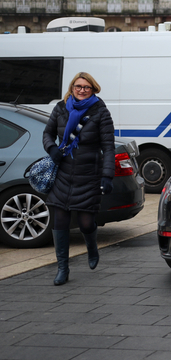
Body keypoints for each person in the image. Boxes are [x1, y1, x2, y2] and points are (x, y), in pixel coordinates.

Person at [42, 72, 115, 286]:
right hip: (63, 173)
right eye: (78, 86)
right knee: (60, 221)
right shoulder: (60, 108)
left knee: (85, 223)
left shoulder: (100, 112)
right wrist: (52, 148)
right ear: (72, 87)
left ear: (93, 89)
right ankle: (62, 268)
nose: (81, 90)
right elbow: (47, 133)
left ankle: (92, 247)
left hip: (89, 174)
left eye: (86, 87)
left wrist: (107, 176)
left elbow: (108, 147)